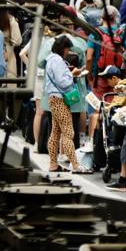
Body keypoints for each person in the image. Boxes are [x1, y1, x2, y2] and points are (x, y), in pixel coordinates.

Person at [42, 36, 85, 172]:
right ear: (63, 48)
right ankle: (75, 165)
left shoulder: (50, 59)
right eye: (67, 49)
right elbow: (63, 82)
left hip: (53, 98)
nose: (68, 52)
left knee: (55, 132)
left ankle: (53, 164)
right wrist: (73, 75)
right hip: (60, 99)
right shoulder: (58, 61)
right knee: (68, 132)